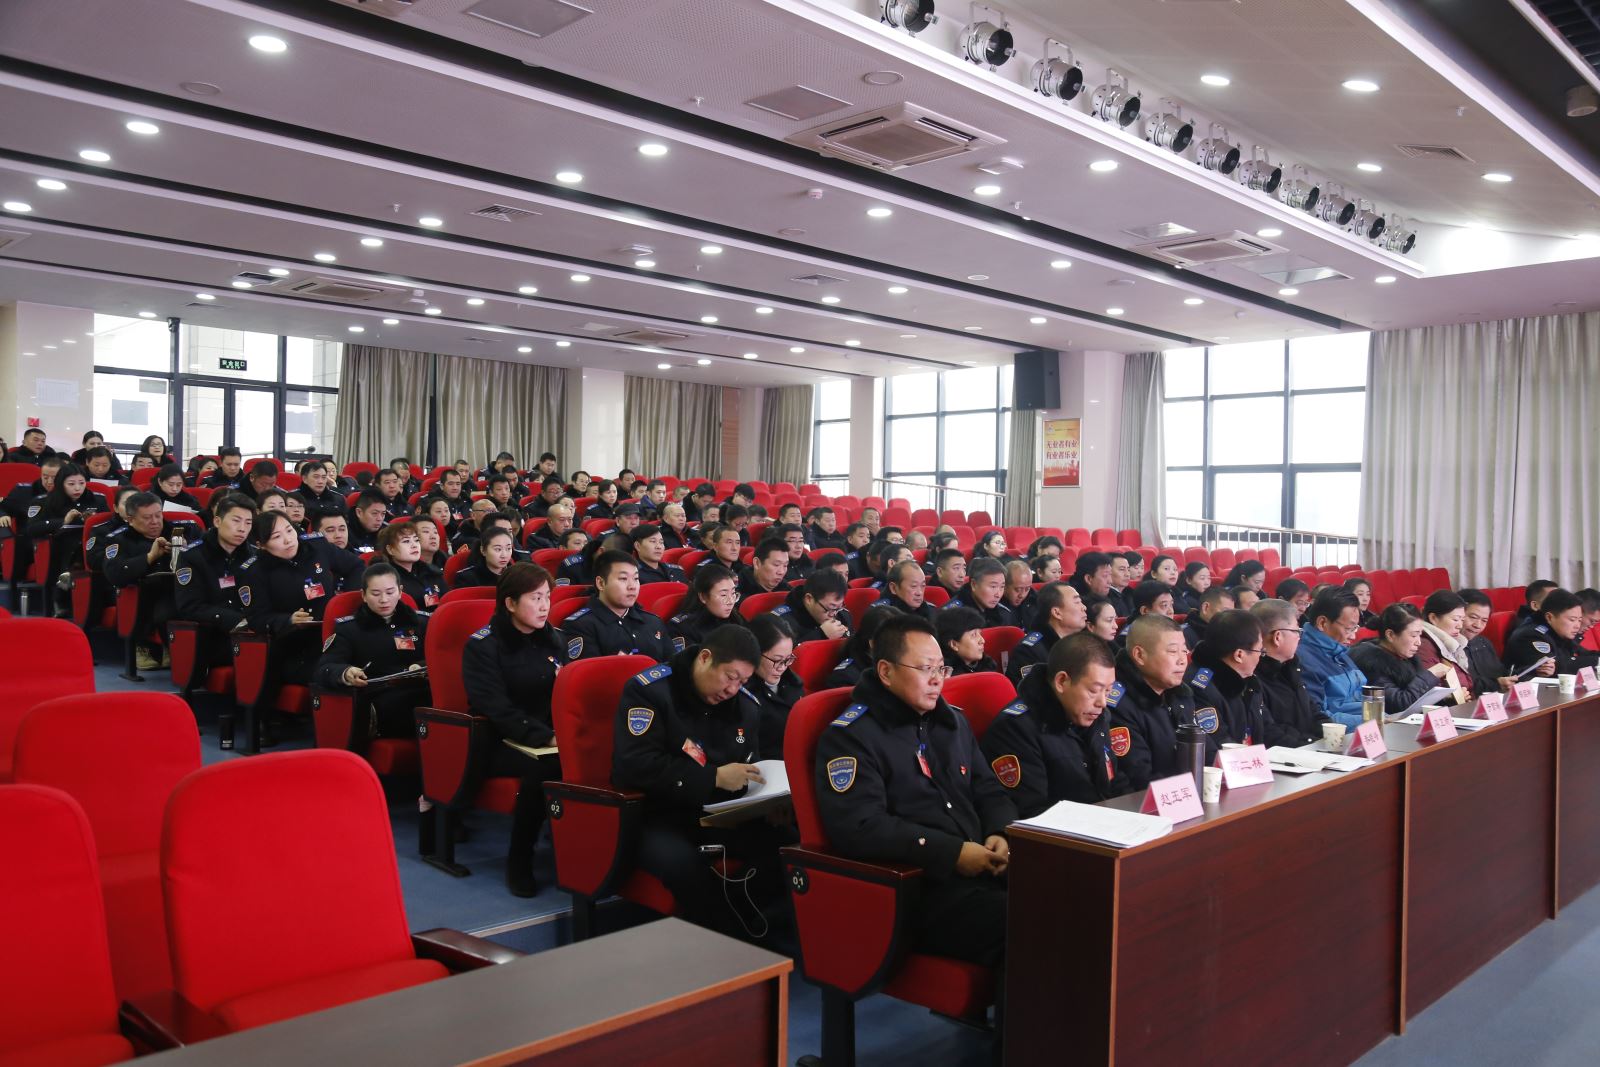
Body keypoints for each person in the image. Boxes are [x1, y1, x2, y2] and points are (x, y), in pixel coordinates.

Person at [813, 614, 1014, 999]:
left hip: (981, 869)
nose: (937, 680)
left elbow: (989, 790)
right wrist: (952, 854)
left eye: (941, 669)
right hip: (919, 890)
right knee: (1030, 922)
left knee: (1066, 894)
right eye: (925, 669)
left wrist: (1000, 832)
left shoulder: (952, 722)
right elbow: (861, 827)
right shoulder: (851, 737)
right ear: (886, 672)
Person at [612, 624, 792, 936]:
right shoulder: (650, 692)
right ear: (705, 658)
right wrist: (714, 777)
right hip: (657, 815)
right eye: (730, 677)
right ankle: (732, 942)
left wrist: (767, 804)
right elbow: (635, 766)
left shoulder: (746, 707)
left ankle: (746, 918)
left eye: (743, 681)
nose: (733, 689)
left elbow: (750, 768)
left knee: (789, 843)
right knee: (684, 866)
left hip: (720, 813)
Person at [460, 563, 568, 897]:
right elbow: (496, 709)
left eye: (547, 597)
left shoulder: (556, 639)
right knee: (545, 768)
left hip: (552, 736)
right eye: (535, 598)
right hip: (498, 740)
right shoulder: (483, 646)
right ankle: (520, 859)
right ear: (510, 603)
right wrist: (546, 737)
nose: (544, 606)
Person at [981, 632, 1128, 817]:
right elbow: (1032, 812)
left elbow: (1113, 780)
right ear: (1061, 681)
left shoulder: (1096, 716)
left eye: (1108, 691)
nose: (1102, 702)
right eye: (1094, 690)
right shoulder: (1015, 729)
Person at [314, 563, 430, 739]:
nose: (384, 600)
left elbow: (440, 661)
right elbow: (325, 668)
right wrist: (346, 672)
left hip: (420, 689)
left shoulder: (421, 622)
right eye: (376, 594)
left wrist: (420, 667)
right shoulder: (349, 628)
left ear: (400, 591)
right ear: (364, 595)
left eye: (390, 592)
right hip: (379, 696)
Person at [1107, 615, 1205, 791]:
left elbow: (1205, 751)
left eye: (1184, 651)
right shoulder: (1119, 705)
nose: (1182, 660)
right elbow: (1138, 777)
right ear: (1140, 655)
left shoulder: (1181, 695)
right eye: (1173, 651)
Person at [103, 492, 193, 670]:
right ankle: (148, 646)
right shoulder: (119, 540)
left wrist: (188, 551)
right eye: (147, 518)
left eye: (158, 515)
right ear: (130, 520)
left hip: (183, 590)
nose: (155, 522)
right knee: (164, 609)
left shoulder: (183, 530)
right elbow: (114, 574)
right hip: (144, 595)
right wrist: (150, 557)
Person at [173, 494, 258, 675]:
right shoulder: (193, 556)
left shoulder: (255, 556)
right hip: (215, 633)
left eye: (248, 523)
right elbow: (190, 606)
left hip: (254, 628)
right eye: (236, 521)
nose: (242, 529)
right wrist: (237, 620)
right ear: (217, 521)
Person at [25, 462, 109, 615]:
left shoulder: (97, 499)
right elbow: (32, 529)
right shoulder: (44, 501)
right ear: (60, 483)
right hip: (58, 547)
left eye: (81, 483)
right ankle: (63, 593)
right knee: (71, 545)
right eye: (71, 484)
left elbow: (109, 525)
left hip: (90, 544)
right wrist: (63, 521)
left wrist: (92, 521)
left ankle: (70, 586)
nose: (77, 488)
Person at [1249, 598, 1332, 746]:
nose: (1299, 637)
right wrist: (1312, 744)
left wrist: (1331, 733)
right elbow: (1270, 733)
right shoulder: (1253, 677)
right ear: (1278, 637)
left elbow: (1313, 712)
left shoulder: (1290, 668)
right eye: (1296, 631)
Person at [562, 550, 673, 660]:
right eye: (623, 579)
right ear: (601, 583)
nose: (632, 586)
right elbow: (590, 670)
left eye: (636, 579)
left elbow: (673, 665)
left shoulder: (653, 621)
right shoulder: (581, 626)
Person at [1185, 609, 1270, 747]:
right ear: (1239, 655)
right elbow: (1220, 745)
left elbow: (1268, 728)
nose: (1261, 656)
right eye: (1260, 650)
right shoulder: (1200, 688)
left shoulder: (1249, 681)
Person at [1349, 604, 1451, 715]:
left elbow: (1417, 696)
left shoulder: (1405, 656)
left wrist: (1445, 697)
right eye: (1413, 636)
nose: (1419, 642)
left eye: (1420, 635)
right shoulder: (1371, 663)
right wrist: (1430, 675)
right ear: (1390, 635)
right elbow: (1400, 705)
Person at [1297, 588, 1368, 727]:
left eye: (1355, 628)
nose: (1353, 636)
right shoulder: (1303, 660)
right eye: (1348, 629)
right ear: (1322, 623)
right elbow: (1320, 717)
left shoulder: (1340, 651)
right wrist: (1373, 721)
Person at [1503, 588, 1600, 678]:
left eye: (1579, 620)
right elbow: (1556, 666)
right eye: (1572, 620)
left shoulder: (1558, 632)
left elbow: (1583, 654)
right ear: (1549, 617)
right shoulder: (1532, 635)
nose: (1577, 626)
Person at [1007, 582, 1088, 685]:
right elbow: (1033, 693)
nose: (1084, 607)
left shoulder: (1082, 641)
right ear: (1057, 613)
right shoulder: (1029, 652)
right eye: (1077, 602)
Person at [744, 613, 803, 746]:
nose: (782, 668)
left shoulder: (793, 682)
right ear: (755, 653)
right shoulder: (741, 693)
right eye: (777, 660)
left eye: (788, 659)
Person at [1415, 591, 1479, 702]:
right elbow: (1429, 691)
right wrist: (1453, 697)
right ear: (1433, 618)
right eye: (1455, 619)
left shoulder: (1454, 644)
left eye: (1462, 620)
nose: (1460, 626)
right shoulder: (1424, 646)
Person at [669, 563, 744, 654]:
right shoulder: (683, 628)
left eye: (733, 593)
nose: (731, 601)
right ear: (703, 597)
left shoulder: (735, 617)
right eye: (723, 595)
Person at [825, 605, 900, 690]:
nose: (902, 646)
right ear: (873, 643)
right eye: (895, 642)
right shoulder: (846, 678)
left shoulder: (901, 664)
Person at [375, 521, 444, 610]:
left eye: (416, 540)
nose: (414, 545)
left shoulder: (431, 571)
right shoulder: (386, 579)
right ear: (390, 549)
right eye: (406, 541)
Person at [771, 569, 852, 645]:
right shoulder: (782, 622)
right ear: (809, 599)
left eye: (838, 608)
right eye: (830, 608)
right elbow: (784, 654)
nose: (833, 614)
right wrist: (821, 635)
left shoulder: (842, 614)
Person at [937, 606, 999, 676]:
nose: (982, 641)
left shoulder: (987, 665)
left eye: (980, 633)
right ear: (954, 644)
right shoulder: (945, 675)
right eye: (974, 635)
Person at [950, 556, 1009, 627]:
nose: (998, 595)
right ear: (974, 584)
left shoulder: (1002, 612)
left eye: (1002, 587)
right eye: (993, 586)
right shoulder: (954, 616)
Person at [876, 559, 938, 623]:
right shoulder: (882, 616)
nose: (919, 593)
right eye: (913, 586)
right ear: (894, 588)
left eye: (923, 585)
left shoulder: (931, 611)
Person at [452, 527, 516, 589]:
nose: (504, 555)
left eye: (508, 548)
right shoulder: (467, 578)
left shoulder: (516, 575)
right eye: (498, 549)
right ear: (483, 550)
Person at [1104, 552, 1132, 617]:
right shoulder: (1106, 598)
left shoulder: (1130, 593)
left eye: (1128, 569)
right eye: (1122, 569)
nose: (1127, 574)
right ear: (1108, 571)